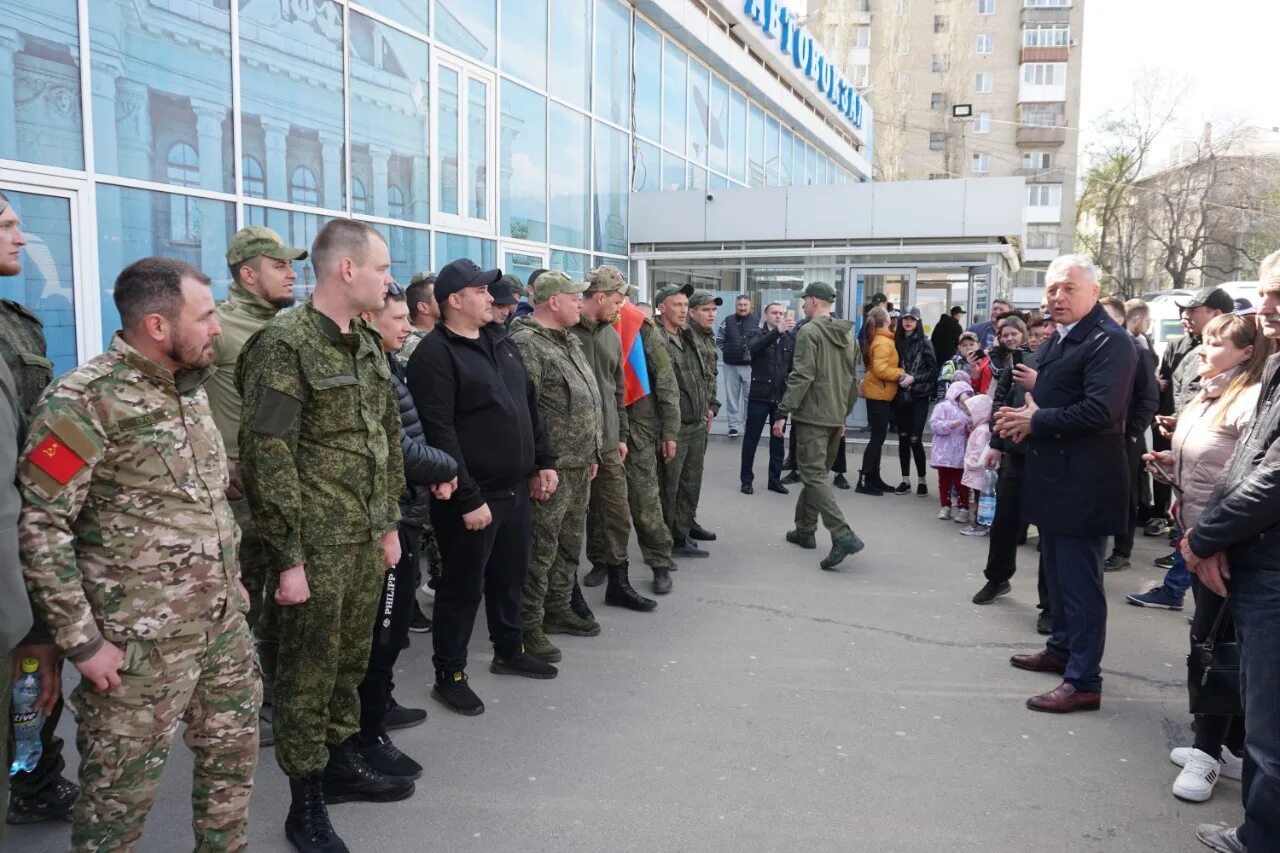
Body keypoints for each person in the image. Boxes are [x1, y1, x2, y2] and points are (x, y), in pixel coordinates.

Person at [19, 257, 260, 851]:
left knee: (231, 776)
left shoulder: (191, 389)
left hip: (221, 631)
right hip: (136, 653)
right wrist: (82, 643)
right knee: (115, 808)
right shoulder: (81, 400)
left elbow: (202, 499)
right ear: (158, 325)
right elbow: (42, 526)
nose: (216, 330)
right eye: (205, 317)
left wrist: (231, 582)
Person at [238, 220, 412, 852]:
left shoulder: (365, 344)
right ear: (347, 271)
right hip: (313, 548)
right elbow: (268, 454)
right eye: (382, 267)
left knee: (348, 664)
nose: (389, 278)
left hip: (365, 540)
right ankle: (304, 802)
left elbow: (385, 438)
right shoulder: (282, 346)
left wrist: (388, 522)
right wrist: (287, 559)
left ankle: (338, 766)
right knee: (306, 676)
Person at [408, 257, 559, 719]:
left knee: (509, 576)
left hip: (515, 488)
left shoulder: (500, 342)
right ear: (454, 301)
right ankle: (449, 675)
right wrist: (469, 497)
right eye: (480, 291)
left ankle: (508, 650)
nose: (490, 298)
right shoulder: (434, 356)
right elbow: (439, 434)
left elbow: (527, 407)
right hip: (472, 498)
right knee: (461, 588)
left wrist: (543, 461)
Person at [996, 254, 1137, 714]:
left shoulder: (1110, 342)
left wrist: (1036, 421)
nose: (1057, 296)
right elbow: (1052, 394)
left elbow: (1101, 412)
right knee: (1057, 578)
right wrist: (1026, 416)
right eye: (1053, 288)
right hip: (1056, 479)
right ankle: (1060, 649)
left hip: (1085, 485)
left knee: (1080, 585)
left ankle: (1084, 680)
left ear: (1094, 293)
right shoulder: (1062, 337)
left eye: (1068, 288)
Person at [1140, 314, 1268, 806]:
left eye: (1218, 342)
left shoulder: (1252, 397)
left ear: (1245, 352)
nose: (1205, 347)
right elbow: (1212, 458)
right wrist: (1175, 461)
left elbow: (1246, 474)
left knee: (1214, 646)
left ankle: (1208, 750)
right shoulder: (1214, 390)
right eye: (1207, 338)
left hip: (1226, 540)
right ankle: (1226, 742)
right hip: (1198, 529)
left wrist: (1212, 535)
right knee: (1215, 640)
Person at [1183, 252, 1280, 853]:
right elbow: (1243, 464)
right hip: (1254, 558)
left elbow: (1273, 478)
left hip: (1271, 571)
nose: (1265, 308)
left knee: (1269, 731)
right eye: (1268, 294)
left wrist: (1205, 536)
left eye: (1278, 296)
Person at [208, 226, 307, 749]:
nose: (292, 272)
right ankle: (242, 705)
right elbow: (183, 401)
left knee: (285, 596)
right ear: (248, 274)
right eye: (280, 265)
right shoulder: (218, 329)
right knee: (241, 598)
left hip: (285, 484)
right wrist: (218, 462)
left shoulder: (289, 327)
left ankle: (276, 695)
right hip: (240, 494)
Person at [354, 285, 457, 780]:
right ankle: (368, 730)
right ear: (369, 320)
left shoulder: (388, 364)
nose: (406, 327)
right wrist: (448, 467)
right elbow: (399, 448)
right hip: (387, 518)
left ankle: (379, 710)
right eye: (397, 319)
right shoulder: (369, 371)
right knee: (381, 633)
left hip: (406, 511)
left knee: (390, 634)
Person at [0, 193, 78, 826]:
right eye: (6, 226)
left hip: (26, 525)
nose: (21, 238)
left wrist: (72, 460)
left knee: (34, 677)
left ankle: (32, 777)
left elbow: (38, 439)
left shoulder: (18, 324)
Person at [510, 271, 605, 662]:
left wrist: (593, 452)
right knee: (541, 548)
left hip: (579, 463)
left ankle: (558, 608)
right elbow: (524, 411)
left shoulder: (567, 339)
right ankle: (527, 625)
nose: (580, 304)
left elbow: (587, 400)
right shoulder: (527, 343)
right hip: (551, 469)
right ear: (554, 302)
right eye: (574, 298)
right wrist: (535, 467)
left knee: (569, 545)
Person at [574, 267, 656, 612]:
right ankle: (565, 596)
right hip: (574, 445)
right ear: (601, 296)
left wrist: (621, 433)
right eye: (618, 300)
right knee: (571, 522)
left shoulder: (610, 334)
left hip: (608, 441)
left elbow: (617, 388)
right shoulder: (565, 332)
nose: (621, 308)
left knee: (617, 514)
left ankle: (618, 583)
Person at [775, 281, 865, 571]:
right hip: (834, 414)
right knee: (817, 473)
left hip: (812, 415)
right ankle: (804, 529)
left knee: (812, 476)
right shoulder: (848, 336)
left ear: (814, 301)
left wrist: (782, 411)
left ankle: (842, 533)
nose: (802, 305)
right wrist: (842, 416)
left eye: (805, 300)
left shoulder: (809, 331)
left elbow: (802, 375)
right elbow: (853, 382)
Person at [972, 317, 1048, 617]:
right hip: (1015, 452)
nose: (1040, 338)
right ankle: (997, 578)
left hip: (1050, 455)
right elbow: (1000, 402)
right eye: (1040, 333)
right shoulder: (1019, 364)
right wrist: (995, 443)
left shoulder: (1065, 365)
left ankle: (1050, 606)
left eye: (1047, 334)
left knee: (1049, 533)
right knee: (1004, 522)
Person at [622, 290, 682, 593]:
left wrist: (670, 431)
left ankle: (659, 562)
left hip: (639, 427)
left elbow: (666, 382)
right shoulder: (581, 327)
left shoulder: (641, 328)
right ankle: (602, 563)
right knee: (600, 506)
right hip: (603, 428)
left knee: (645, 499)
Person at [1099, 296, 1159, 572]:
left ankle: (1123, 550)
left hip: (1124, 437)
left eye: (1107, 315)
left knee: (1126, 492)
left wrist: (1132, 433)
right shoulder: (1097, 346)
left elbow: (1148, 398)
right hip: (1098, 434)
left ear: (1121, 318)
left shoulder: (1137, 350)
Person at [655, 284, 715, 559]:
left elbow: (703, 375)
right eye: (676, 304)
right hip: (673, 427)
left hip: (696, 423)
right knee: (669, 487)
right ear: (662, 307)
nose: (682, 309)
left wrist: (708, 408)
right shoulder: (654, 338)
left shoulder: (688, 336)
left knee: (691, 484)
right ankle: (667, 540)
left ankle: (682, 531)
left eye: (683, 304)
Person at [740, 302, 795, 495]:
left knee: (778, 440)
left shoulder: (789, 340)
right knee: (751, 439)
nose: (778, 316)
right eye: (774, 313)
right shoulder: (757, 333)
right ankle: (746, 480)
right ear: (766, 315)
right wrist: (776, 333)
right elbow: (753, 350)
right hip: (759, 395)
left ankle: (774, 480)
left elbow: (791, 370)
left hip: (780, 396)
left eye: (781, 313)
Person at [685, 291, 722, 541]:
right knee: (683, 479)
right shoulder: (688, 337)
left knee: (694, 476)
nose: (711, 314)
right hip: (689, 417)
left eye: (713, 310)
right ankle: (679, 527)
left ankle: (688, 520)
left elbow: (711, 378)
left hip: (703, 415)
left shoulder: (707, 337)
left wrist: (712, 408)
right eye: (706, 310)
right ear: (692, 312)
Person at [892, 307, 937, 496]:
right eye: (905, 319)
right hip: (900, 394)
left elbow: (934, 370)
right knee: (902, 437)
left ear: (918, 322)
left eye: (912, 319)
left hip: (919, 395)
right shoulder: (895, 342)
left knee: (915, 438)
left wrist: (914, 378)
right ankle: (905, 480)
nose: (908, 322)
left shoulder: (925, 342)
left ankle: (922, 479)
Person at [857, 305, 901, 496]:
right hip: (879, 395)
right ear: (887, 320)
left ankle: (874, 478)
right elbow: (880, 370)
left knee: (878, 438)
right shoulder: (883, 342)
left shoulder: (880, 338)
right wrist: (901, 373)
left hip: (880, 394)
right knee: (876, 439)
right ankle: (865, 480)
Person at [930, 380, 972, 521]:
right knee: (944, 481)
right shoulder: (943, 406)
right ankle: (945, 506)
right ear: (957, 392)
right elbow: (934, 424)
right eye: (967, 393)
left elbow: (972, 428)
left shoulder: (968, 410)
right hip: (944, 454)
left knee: (961, 483)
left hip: (961, 454)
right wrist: (950, 425)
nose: (969, 396)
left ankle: (963, 508)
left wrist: (969, 428)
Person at [717, 294, 758, 438]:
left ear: (750, 306)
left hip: (750, 367)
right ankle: (733, 426)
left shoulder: (757, 322)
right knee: (732, 398)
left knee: (750, 398)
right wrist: (729, 352)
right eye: (740, 305)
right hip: (730, 366)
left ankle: (748, 426)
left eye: (745, 305)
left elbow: (762, 341)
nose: (742, 307)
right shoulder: (727, 321)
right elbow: (719, 340)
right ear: (736, 306)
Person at [958, 391, 994, 534]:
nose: (968, 418)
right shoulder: (983, 429)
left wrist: (969, 464)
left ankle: (981, 525)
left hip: (979, 473)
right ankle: (981, 523)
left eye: (970, 414)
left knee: (982, 500)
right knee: (983, 499)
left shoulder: (982, 431)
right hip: (981, 473)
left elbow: (978, 454)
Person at [397, 271, 439, 367]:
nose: (447, 300)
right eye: (439, 296)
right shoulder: (414, 344)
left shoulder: (436, 338)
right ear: (423, 307)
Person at [931, 305, 966, 369]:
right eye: (960, 314)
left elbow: (933, 338)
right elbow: (959, 343)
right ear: (956, 314)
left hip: (937, 356)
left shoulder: (939, 324)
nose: (960, 316)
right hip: (950, 357)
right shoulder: (957, 326)